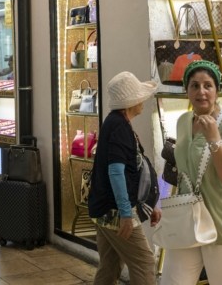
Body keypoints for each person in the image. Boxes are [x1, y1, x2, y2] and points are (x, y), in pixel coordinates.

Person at [160, 61, 222, 285]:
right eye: (194, 85)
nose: (201, 92)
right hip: (188, 219)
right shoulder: (183, 121)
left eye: (208, 85)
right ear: (187, 90)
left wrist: (214, 139)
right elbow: (184, 172)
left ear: (217, 90)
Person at [87, 71, 161, 285]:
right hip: (116, 212)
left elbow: (131, 172)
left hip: (105, 209)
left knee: (110, 266)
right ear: (131, 101)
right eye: (140, 96)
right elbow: (116, 172)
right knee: (144, 263)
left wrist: (149, 204)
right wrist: (126, 214)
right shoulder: (119, 126)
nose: (143, 101)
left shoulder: (115, 123)